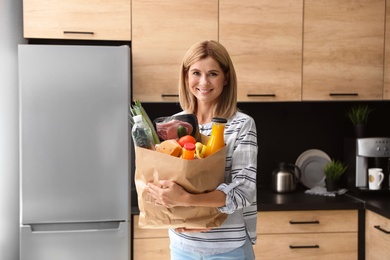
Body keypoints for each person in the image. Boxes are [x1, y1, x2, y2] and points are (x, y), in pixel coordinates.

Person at [146, 40, 258, 260]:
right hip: (182, 247)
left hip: (228, 249)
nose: (204, 82)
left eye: (213, 73)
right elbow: (165, 183)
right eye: (196, 73)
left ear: (226, 77)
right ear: (186, 76)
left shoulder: (241, 124)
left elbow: (244, 192)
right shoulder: (176, 124)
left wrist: (186, 199)